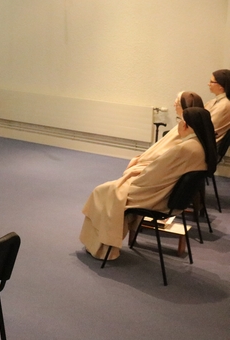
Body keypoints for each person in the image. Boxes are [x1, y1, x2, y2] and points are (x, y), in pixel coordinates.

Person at [79, 107, 216, 261]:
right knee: (109, 189)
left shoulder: (185, 147)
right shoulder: (200, 146)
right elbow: (160, 170)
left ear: (186, 125)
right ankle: (101, 244)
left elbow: (151, 175)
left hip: (157, 196)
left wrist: (133, 172)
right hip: (171, 195)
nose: (178, 125)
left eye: (180, 121)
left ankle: (103, 249)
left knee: (103, 191)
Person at [125, 91, 204, 170]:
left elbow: (163, 153)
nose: (174, 105)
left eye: (176, 104)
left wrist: (141, 160)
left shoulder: (184, 129)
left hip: (156, 165)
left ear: (183, 107)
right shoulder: (190, 127)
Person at [205, 69, 230, 142]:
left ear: (221, 86)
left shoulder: (225, 105)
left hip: (210, 145)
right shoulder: (212, 102)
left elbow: (208, 127)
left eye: (211, 82)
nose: (208, 84)